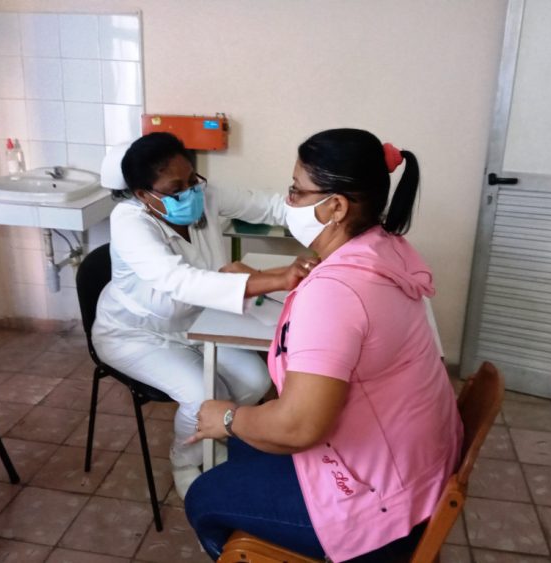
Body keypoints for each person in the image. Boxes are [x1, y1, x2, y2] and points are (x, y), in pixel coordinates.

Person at [184, 128, 464, 562]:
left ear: (335, 206)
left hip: (386, 506)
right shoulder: (384, 249)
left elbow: (298, 427)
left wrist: (225, 414)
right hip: (419, 468)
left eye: (296, 191)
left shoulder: (337, 292)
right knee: (243, 443)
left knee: (204, 496)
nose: (288, 201)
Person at [92, 132, 318, 499]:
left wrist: (324, 218)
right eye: (175, 187)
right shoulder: (129, 221)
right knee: (201, 395)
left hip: (195, 323)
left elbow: (270, 206)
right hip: (134, 335)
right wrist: (272, 278)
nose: (190, 191)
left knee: (255, 380)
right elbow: (176, 280)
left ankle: (209, 438)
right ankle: (183, 459)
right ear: (142, 195)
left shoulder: (202, 196)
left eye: (192, 179)